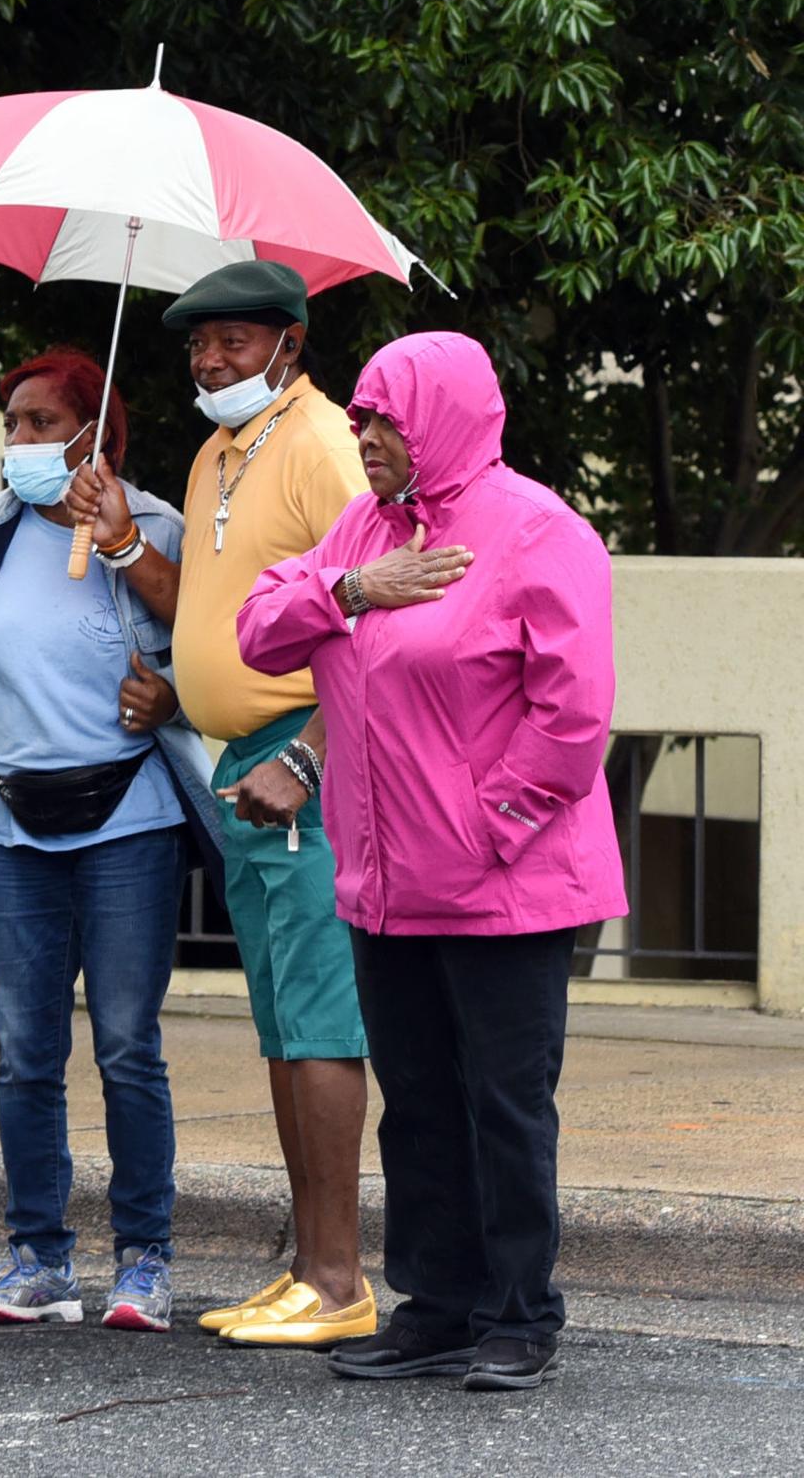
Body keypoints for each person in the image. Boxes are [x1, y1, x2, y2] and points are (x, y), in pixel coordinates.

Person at [71, 265, 470, 1348]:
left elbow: (391, 600)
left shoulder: (324, 443)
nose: (211, 362)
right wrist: (119, 543)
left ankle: (339, 1281)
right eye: (200, 347)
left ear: (290, 344)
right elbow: (209, 608)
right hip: (238, 759)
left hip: (307, 757)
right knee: (285, 1021)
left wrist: (307, 750)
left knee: (324, 1015)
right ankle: (308, 1269)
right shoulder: (218, 452)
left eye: (236, 344)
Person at [236, 331, 628, 1389]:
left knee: (502, 1101)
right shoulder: (366, 532)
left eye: (383, 419)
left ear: (442, 419)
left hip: (508, 883)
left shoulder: (541, 532)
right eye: (358, 417)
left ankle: (519, 1312)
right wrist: (355, 589)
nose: (363, 436)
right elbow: (260, 630)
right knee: (415, 1099)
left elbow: (573, 713)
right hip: (386, 882)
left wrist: (491, 827)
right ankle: (438, 1304)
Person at [0, 349, 223, 1334]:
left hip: (129, 824)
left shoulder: (153, 528)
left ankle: (144, 1262)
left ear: (95, 435)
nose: (16, 441)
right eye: (9, 423)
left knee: (127, 1046)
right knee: (25, 1052)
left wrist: (173, 692)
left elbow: (220, 643)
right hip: (11, 825)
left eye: (36, 422)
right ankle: (38, 1260)